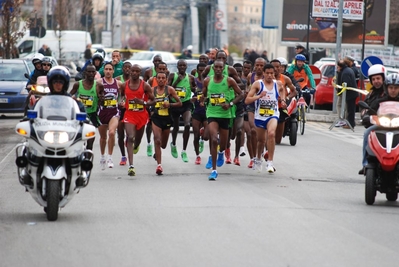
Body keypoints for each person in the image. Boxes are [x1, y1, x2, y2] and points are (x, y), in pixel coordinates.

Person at [201, 60, 244, 180]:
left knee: (224, 145)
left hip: (225, 115)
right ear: (213, 68)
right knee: (214, 139)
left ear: (223, 68)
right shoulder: (207, 80)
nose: (218, 69)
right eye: (216, 67)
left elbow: (241, 94)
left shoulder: (229, 80)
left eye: (221, 67)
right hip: (212, 113)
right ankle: (214, 170)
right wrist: (200, 100)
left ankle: (221, 153)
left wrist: (230, 104)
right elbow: (203, 95)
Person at [245, 64, 287, 173]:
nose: (269, 75)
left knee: (271, 134)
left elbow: (282, 90)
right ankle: (258, 158)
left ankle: (270, 162)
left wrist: (282, 100)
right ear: (263, 73)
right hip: (260, 116)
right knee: (261, 140)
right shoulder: (258, 84)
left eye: (271, 73)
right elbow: (247, 100)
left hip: (273, 114)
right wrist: (259, 96)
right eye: (267, 73)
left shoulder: (278, 84)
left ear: (274, 74)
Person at [120, 64, 155, 176]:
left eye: (137, 71)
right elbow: (121, 96)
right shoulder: (124, 85)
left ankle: (136, 145)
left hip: (142, 115)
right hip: (129, 114)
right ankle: (131, 166)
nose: (134, 73)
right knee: (130, 137)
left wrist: (143, 103)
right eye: (133, 71)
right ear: (130, 72)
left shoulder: (145, 86)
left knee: (137, 140)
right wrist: (121, 102)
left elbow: (153, 100)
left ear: (140, 73)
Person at [150, 72, 182, 175]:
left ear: (166, 80)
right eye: (158, 78)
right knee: (157, 140)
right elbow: (147, 102)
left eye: (163, 78)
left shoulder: (170, 90)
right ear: (156, 79)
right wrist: (151, 106)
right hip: (156, 118)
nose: (160, 80)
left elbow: (179, 103)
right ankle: (159, 166)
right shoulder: (152, 90)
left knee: (163, 145)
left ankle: (157, 152)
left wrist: (170, 104)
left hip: (167, 119)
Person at [70, 64, 104, 155]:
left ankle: (88, 156)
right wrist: (73, 99)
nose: (91, 73)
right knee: (78, 137)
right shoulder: (78, 84)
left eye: (93, 72)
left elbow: (102, 99)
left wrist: (101, 99)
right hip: (80, 115)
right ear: (85, 73)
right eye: (89, 71)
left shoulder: (99, 85)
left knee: (90, 139)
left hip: (92, 114)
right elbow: (69, 96)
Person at [358, 64, 386, 175]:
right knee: (367, 133)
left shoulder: (390, 92)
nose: (376, 81)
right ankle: (365, 164)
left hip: (394, 124)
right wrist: (365, 116)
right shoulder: (371, 94)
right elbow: (364, 108)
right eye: (373, 79)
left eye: (378, 78)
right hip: (378, 124)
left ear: (383, 78)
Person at [167, 59, 196, 162]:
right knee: (175, 126)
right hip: (175, 104)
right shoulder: (172, 76)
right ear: (177, 67)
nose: (182, 67)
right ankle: (173, 143)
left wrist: (195, 96)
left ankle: (184, 150)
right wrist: (177, 81)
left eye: (184, 65)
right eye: (180, 65)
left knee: (187, 124)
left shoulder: (191, 78)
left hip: (186, 104)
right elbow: (168, 90)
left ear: (186, 67)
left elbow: (195, 89)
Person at [97, 62, 124, 170]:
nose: (108, 71)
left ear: (113, 71)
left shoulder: (118, 83)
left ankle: (110, 157)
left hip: (114, 112)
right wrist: (100, 99)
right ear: (104, 70)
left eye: (110, 69)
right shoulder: (99, 82)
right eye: (106, 69)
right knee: (103, 137)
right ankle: (102, 156)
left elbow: (123, 96)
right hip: (102, 112)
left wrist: (121, 102)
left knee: (112, 133)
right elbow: (95, 96)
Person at [245, 58, 266, 168]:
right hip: (252, 106)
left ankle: (260, 153)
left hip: (263, 107)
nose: (259, 67)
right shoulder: (250, 76)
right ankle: (252, 158)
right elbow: (248, 87)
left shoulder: (267, 77)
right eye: (257, 65)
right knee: (253, 130)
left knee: (261, 133)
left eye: (261, 65)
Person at [270, 59, 297, 144]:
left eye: (278, 67)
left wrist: (287, 98)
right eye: (273, 67)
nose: (275, 69)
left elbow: (294, 91)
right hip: (268, 107)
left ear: (281, 68)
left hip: (280, 107)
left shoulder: (285, 79)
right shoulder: (264, 78)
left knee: (277, 141)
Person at [116, 61, 132, 166]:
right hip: (120, 109)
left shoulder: (135, 81)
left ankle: (128, 141)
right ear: (122, 69)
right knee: (120, 134)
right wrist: (120, 103)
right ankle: (123, 156)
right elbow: (115, 94)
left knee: (130, 135)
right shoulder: (117, 79)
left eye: (129, 67)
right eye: (125, 67)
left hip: (130, 110)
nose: (127, 69)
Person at [191, 63, 208, 165]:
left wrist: (205, 99)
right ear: (197, 71)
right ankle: (197, 156)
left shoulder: (209, 81)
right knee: (196, 135)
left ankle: (204, 132)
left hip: (207, 111)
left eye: (203, 70)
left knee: (206, 137)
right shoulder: (194, 81)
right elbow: (189, 92)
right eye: (200, 70)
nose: (202, 72)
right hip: (196, 111)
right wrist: (192, 99)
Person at [336, 59, 358, 129]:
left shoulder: (345, 72)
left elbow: (346, 84)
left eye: (338, 67)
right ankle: (350, 123)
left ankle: (350, 124)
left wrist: (341, 91)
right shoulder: (348, 70)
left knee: (350, 110)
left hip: (350, 94)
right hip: (351, 93)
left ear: (340, 67)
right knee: (350, 109)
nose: (337, 68)